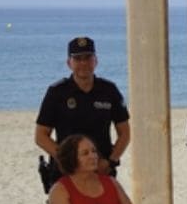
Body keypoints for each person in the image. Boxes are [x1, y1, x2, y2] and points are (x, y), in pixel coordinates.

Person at [35, 37, 131, 187]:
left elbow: (125, 133)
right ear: (69, 63)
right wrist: (67, 161)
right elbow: (41, 136)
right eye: (78, 59)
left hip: (101, 171)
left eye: (88, 58)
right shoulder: (57, 92)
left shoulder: (109, 90)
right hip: (66, 173)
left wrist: (110, 161)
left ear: (96, 61)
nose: (83, 63)